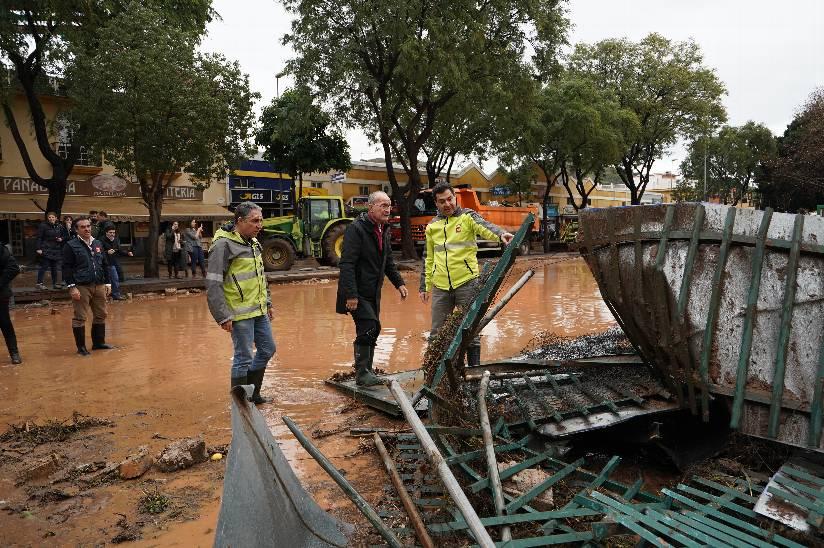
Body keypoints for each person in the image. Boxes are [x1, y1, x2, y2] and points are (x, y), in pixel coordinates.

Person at [418, 183, 513, 367]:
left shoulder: (468, 217)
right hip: (440, 287)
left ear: (455, 197)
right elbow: (428, 258)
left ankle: (474, 370)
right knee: (437, 333)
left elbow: (485, 227)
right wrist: (424, 285)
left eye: (449, 199)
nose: (447, 204)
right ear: (436, 204)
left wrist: (501, 234)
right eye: (441, 201)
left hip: (467, 283)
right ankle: (434, 373)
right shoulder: (432, 226)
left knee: (470, 329)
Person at [336, 191, 408, 386]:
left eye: (389, 205)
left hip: (372, 292)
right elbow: (347, 264)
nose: (388, 209)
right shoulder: (356, 229)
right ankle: (362, 374)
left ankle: (366, 371)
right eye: (383, 205)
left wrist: (399, 283)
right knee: (369, 326)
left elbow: (388, 261)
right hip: (356, 292)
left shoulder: (383, 229)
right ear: (370, 208)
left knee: (373, 328)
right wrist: (351, 295)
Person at [206, 202, 275, 404]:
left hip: (259, 310)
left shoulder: (253, 243)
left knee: (267, 349)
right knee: (243, 357)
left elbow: (260, 276)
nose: (259, 225)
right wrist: (222, 316)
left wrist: (268, 302)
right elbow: (213, 283)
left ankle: (252, 394)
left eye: (261, 220)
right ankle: (240, 403)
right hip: (239, 313)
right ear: (239, 221)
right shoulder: (223, 245)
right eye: (255, 221)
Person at [63, 216, 112, 356]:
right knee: (80, 317)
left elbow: (105, 264)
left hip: (99, 284)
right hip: (81, 286)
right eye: (83, 227)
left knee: (101, 314)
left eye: (88, 226)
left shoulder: (97, 243)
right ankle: (81, 348)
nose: (87, 229)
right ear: (76, 229)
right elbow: (66, 268)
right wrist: (72, 287)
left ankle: (98, 343)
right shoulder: (71, 245)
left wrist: (108, 282)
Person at [0, 242, 22, 364]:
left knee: (5, 323)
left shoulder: (1, 249)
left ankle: (14, 352)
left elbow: (13, 268)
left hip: (0, 294)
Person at [35, 211, 67, 290]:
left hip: (56, 249)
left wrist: (61, 239)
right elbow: (39, 237)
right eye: (49, 217)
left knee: (54, 267)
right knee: (44, 266)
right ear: (47, 218)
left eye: (53, 217)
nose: (51, 219)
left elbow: (64, 235)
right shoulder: (43, 226)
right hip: (46, 248)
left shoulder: (59, 226)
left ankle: (55, 283)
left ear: (56, 218)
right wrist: (38, 248)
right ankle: (39, 283)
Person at [101, 226, 133, 301]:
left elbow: (119, 250)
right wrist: (106, 252)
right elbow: (98, 252)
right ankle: (104, 296)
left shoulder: (116, 240)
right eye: (110, 232)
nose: (112, 234)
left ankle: (115, 295)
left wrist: (127, 253)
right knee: (104, 280)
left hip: (112, 262)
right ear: (106, 233)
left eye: (113, 232)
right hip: (103, 263)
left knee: (115, 278)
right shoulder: (101, 240)